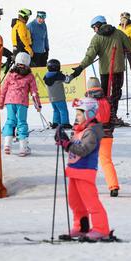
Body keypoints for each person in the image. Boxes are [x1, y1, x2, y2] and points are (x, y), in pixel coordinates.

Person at [54, 97, 110, 241]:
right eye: (77, 114)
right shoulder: (79, 130)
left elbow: (83, 150)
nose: (76, 117)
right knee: (75, 201)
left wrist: (67, 144)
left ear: (89, 114)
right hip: (74, 171)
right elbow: (73, 148)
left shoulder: (91, 132)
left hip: (85, 172)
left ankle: (101, 229)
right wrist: (63, 140)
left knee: (91, 202)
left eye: (80, 114)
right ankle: (81, 227)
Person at [69, 15, 131, 124]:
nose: (94, 30)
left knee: (103, 95)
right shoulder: (118, 33)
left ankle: (105, 116)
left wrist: (80, 68)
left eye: (94, 27)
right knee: (116, 94)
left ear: (98, 25)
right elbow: (130, 47)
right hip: (118, 69)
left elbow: (90, 56)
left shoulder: (97, 38)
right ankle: (113, 116)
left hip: (105, 71)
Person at [0, 52, 41, 156]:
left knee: (10, 121)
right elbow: (34, 92)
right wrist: (37, 105)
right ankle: (23, 147)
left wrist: (1, 102)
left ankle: (7, 144)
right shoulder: (30, 76)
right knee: (21, 122)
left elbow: (3, 89)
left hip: (9, 101)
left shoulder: (10, 74)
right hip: (22, 102)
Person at [86, 77, 120, 197]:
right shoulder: (108, 100)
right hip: (107, 135)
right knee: (107, 161)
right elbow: (113, 118)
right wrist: (109, 131)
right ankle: (113, 186)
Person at [43, 59, 71, 129]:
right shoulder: (58, 75)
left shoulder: (46, 76)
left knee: (56, 110)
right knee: (63, 110)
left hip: (52, 98)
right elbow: (67, 80)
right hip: (60, 97)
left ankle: (56, 123)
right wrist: (70, 76)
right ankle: (65, 123)